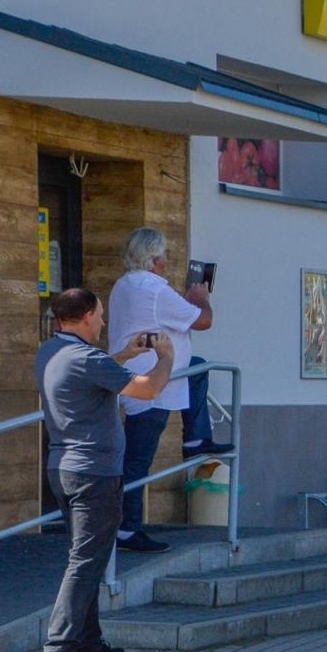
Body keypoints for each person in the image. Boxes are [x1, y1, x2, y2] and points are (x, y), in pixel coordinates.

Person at [35, 288, 176, 652]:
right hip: (93, 472)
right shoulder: (86, 357)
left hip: (64, 468)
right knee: (86, 559)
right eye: (99, 315)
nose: (102, 321)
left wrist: (126, 355)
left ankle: (88, 641)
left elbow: (93, 377)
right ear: (83, 317)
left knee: (89, 557)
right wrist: (166, 358)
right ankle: (61, 643)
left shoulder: (52, 352)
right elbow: (147, 389)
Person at [108, 228, 227, 553]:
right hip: (153, 382)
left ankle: (195, 438)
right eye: (164, 255)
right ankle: (126, 529)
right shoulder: (155, 290)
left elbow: (169, 316)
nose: (167, 261)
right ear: (154, 258)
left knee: (198, 368)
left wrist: (183, 303)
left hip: (133, 376)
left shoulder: (125, 285)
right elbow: (203, 321)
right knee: (137, 458)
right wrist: (201, 298)